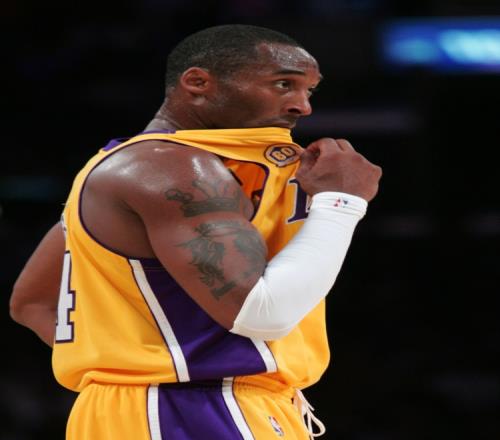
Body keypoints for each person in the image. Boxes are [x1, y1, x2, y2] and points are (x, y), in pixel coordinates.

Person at [10, 24, 381, 439]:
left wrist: (126, 360)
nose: (302, 106)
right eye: (283, 84)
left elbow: (31, 302)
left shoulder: (132, 166)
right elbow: (263, 314)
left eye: (308, 90)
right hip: (191, 407)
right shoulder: (172, 169)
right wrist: (342, 202)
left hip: (150, 406)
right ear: (198, 83)